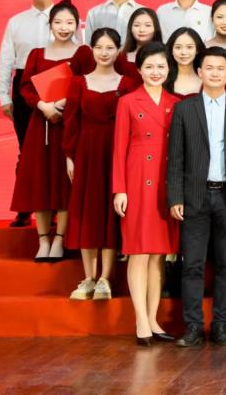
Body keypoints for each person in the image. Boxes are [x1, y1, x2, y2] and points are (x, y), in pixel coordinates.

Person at [167, 47, 226, 348]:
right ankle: (194, 327)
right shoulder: (185, 109)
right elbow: (175, 157)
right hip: (194, 197)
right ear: (199, 72)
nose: (214, 73)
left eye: (220, 68)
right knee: (192, 265)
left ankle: (222, 326)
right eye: (208, 68)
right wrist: (175, 197)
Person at [11, 0, 92, 262]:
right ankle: (43, 239)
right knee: (41, 183)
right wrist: (43, 105)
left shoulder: (83, 54)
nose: (64, 27)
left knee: (64, 184)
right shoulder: (36, 53)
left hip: (70, 126)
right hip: (41, 125)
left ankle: (59, 240)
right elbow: (25, 88)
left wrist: (67, 102)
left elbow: (89, 84)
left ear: (77, 25)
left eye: (69, 22)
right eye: (58, 22)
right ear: (50, 24)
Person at [112, 41, 180, 346]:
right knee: (139, 253)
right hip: (137, 180)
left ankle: (153, 319)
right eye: (149, 66)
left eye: (161, 66)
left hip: (166, 182)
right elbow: (119, 149)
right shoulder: (128, 102)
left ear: (169, 69)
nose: (155, 72)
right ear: (138, 70)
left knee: (158, 256)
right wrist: (119, 189)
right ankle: (140, 319)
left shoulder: (176, 103)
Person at [63, 28, 134, 300]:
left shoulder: (127, 83)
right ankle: (88, 278)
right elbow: (71, 122)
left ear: (118, 51)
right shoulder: (78, 82)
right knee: (88, 212)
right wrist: (70, 157)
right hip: (86, 154)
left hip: (115, 153)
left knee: (109, 213)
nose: (104, 53)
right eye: (99, 47)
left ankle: (106, 278)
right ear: (91, 50)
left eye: (110, 48)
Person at [0, 0, 58, 228]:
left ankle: (54, 207)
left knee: (55, 150)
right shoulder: (17, 21)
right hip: (24, 85)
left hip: (57, 83)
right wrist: (3, 96)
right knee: (27, 150)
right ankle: (24, 207)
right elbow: (5, 60)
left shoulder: (65, 18)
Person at [117, 7, 162, 84]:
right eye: (137, 25)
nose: (141, 30)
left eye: (147, 25)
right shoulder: (120, 57)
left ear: (155, 28)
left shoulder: (165, 55)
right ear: (130, 28)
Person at [164, 27, 204, 99]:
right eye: (178, 47)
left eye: (189, 47)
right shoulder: (162, 79)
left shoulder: (207, 79)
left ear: (197, 50)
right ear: (171, 50)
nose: (183, 52)